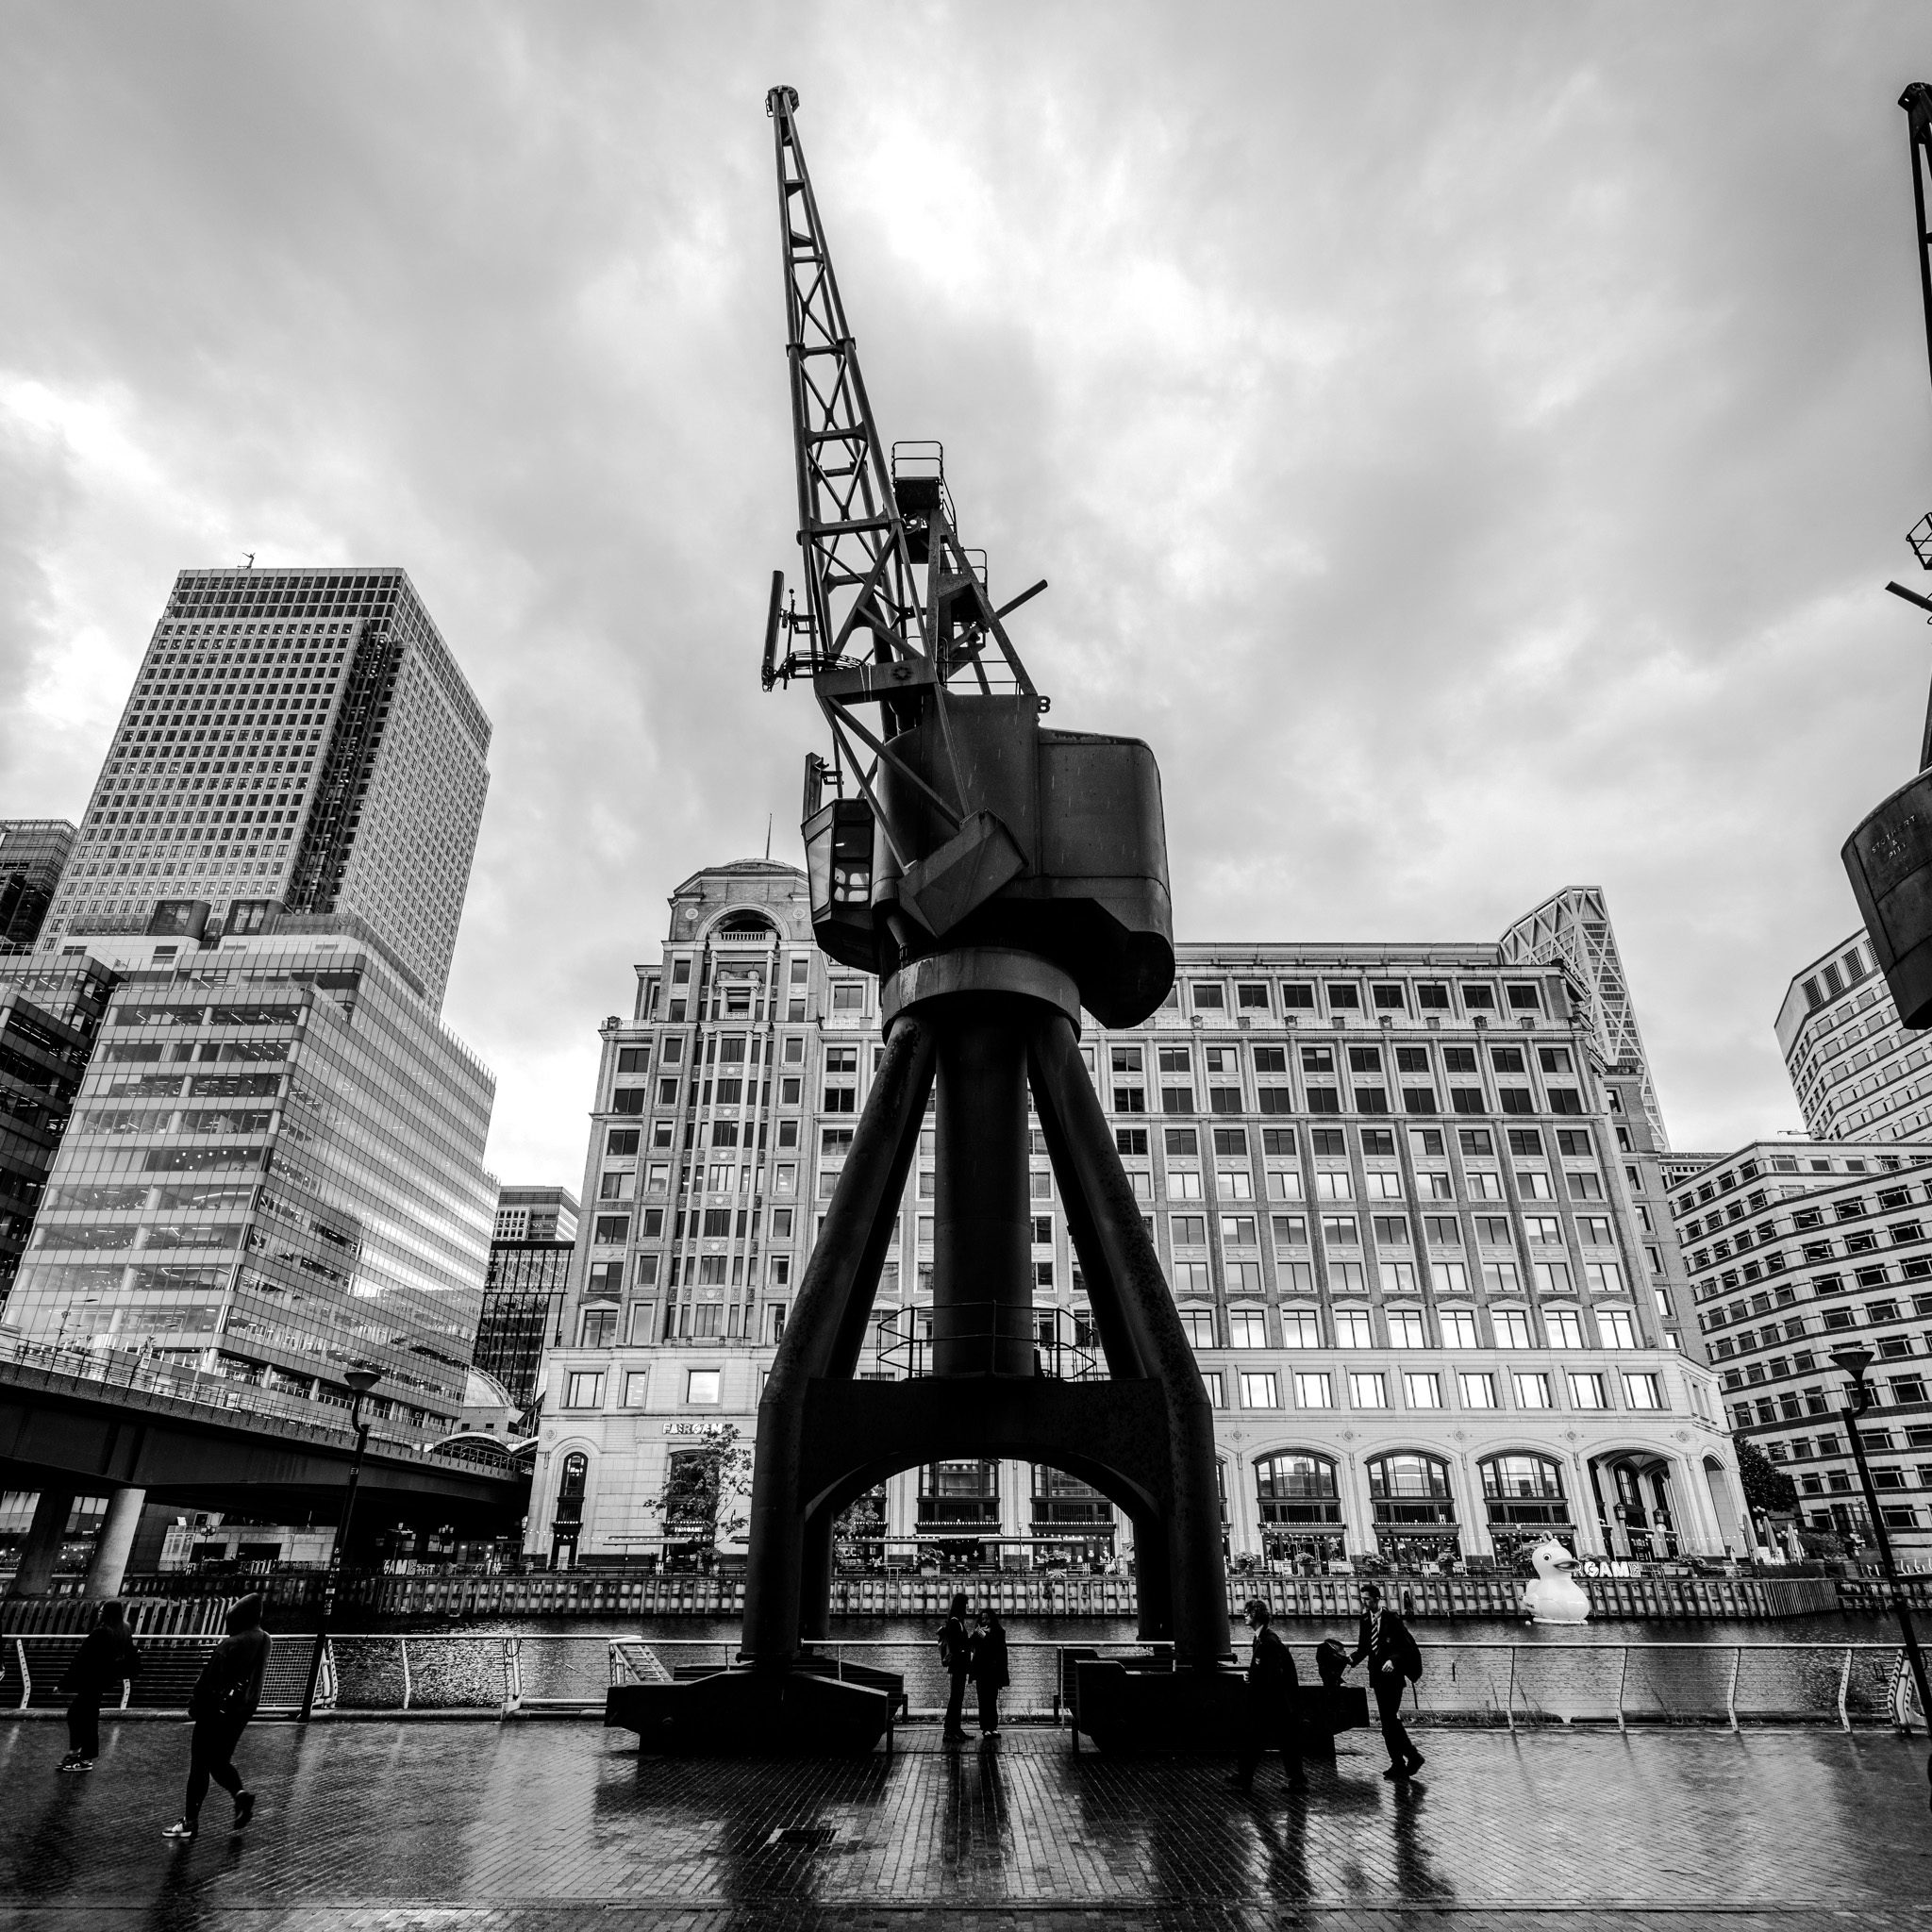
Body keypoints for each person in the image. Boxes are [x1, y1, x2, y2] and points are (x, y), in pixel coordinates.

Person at [162, 1592, 271, 1840]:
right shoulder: (265, 1639)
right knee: (219, 1761)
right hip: (242, 1711)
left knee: (199, 1766)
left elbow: (207, 1683)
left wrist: (196, 1707)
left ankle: (189, 1822)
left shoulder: (229, 1645)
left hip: (215, 1711)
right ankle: (240, 1795)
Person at [1229, 1598, 1306, 1795]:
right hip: (1275, 1702)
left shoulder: (1267, 1641)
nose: (1244, 1615)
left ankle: (1246, 1778)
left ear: (1256, 1615)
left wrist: (1255, 1684)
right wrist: (1252, 1675)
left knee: (1259, 1741)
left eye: (1247, 1612)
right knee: (1277, 1742)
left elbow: (1273, 1675)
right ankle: (1294, 1780)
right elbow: (1265, 1669)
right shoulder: (1263, 1638)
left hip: (1272, 1702)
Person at [1351, 1582, 1424, 1782]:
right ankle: (1400, 1762)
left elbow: (1406, 1647)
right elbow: (1364, 1647)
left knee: (1389, 1720)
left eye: (1367, 1599)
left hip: (1393, 1677)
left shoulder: (1392, 1619)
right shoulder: (1365, 1620)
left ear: (1377, 1599)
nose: (1364, 1603)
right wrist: (1351, 1659)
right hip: (1377, 1677)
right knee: (1388, 1722)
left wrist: (1393, 1660)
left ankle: (1411, 1758)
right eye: (1362, 1599)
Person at [57, 1600, 141, 1773]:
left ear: (107, 1613)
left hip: (91, 1680)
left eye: (101, 1611)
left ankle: (82, 1757)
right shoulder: (124, 1629)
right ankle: (79, 1755)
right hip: (105, 1680)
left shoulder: (100, 1632)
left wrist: (63, 1684)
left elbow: (81, 1659)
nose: (99, 1613)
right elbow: (128, 1652)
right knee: (87, 1716)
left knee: (77, 1715)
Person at [938, 1593, 973, 1741]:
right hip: (958, 1666)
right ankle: (949, 1731)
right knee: (955, 1699)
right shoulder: (955, 1623)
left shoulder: (957, 1622)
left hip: (959, 1666)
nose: (967, 1608)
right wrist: (970, 1643)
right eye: (966, 1605)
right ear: (961, 1606)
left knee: (957, 1698)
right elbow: (957, 1645)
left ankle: (956, 1729)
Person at [970, 1608, 1009, 1738]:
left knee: (992, 1699)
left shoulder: (999, 1632)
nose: (984, 1621)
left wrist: (985, 1637)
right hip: (981, 1671)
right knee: (983, 1699)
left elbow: (998, 1649)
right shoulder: (978, 1632)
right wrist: (976, 1634)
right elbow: (970, 1645)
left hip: (994, 1670)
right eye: (982, 1619)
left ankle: (993, 1727)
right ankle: (985, 1728)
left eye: (987, 1618)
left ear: (992, 1619)